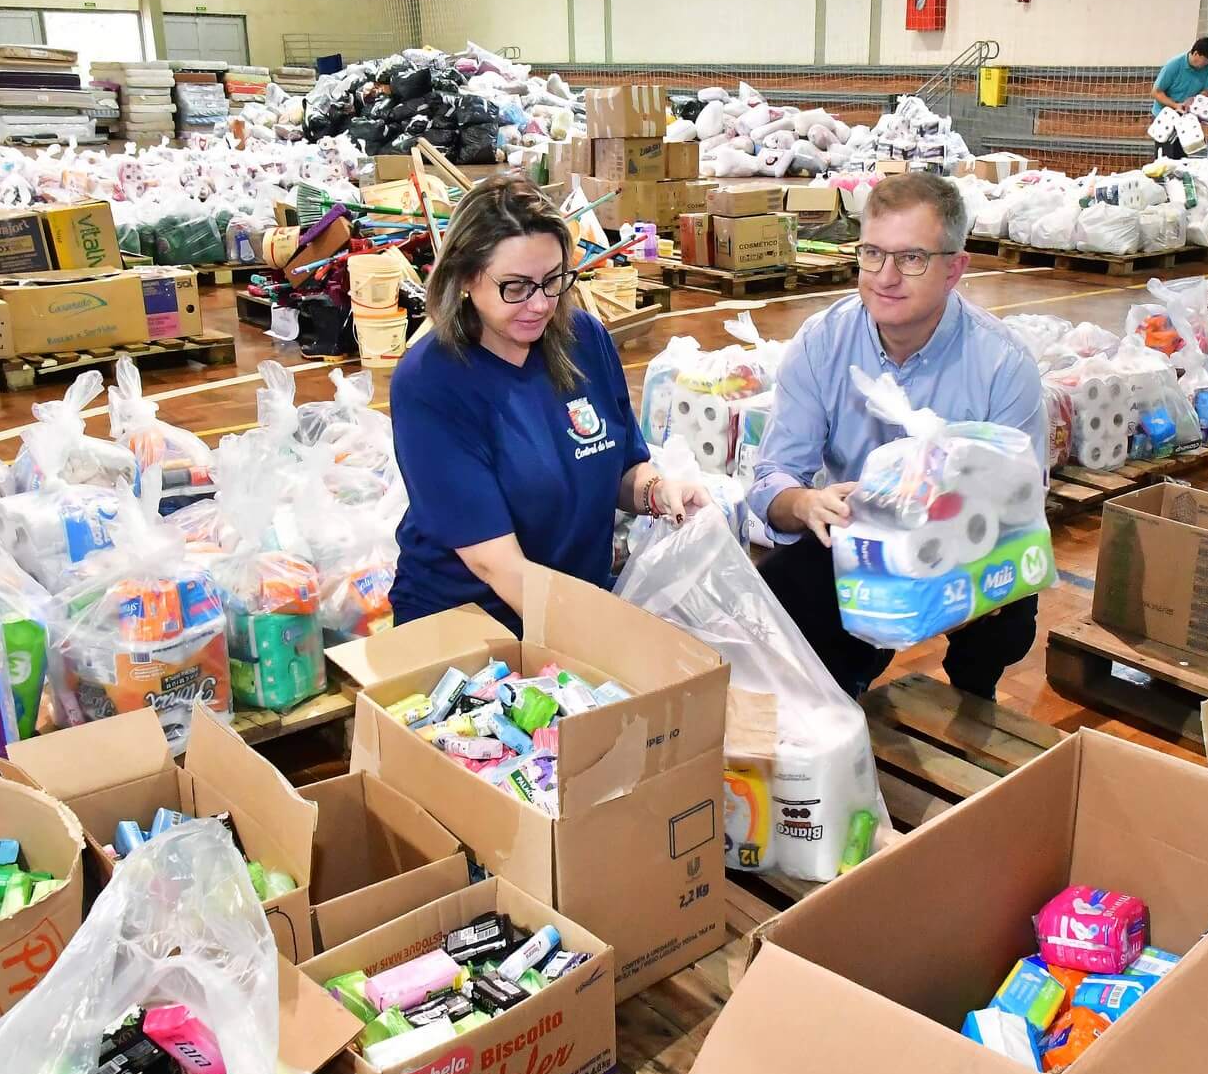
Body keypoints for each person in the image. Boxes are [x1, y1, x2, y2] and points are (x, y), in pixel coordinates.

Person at [747, 172, 1045, 701]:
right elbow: (773, 478)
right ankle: (841, 694)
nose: (885, 277)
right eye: (872, 254)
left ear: (955, 268)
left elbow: (1019, 501)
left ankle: (974, 691)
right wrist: (807, 503)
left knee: (1009, 618)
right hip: (855, 540)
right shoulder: (823, 342)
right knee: (783, 592)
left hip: (962, 546)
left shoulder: (1002, 362)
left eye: (911, 258)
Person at [389, 176, 708, 632]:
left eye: (553, 280)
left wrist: (657, 492)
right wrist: (601, 638)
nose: (540, 305)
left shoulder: (583, 340)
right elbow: (497, 566)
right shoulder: (430, 382)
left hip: (574, 603)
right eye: (515, 287)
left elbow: (620, 468)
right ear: (464, 277)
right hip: (469, 625)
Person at [1150, 36, 1208, 160]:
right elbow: (1156, 92)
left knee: (1182, 156)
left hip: (1185, 117)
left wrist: (1195, 99)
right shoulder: (1174, 65)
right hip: (1165, 116)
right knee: (1166, 158)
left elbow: (1207, 90)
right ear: (1196, 53)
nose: (1206, 64)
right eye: (1205, 60)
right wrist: (1176, 106)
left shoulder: (1206, 67)